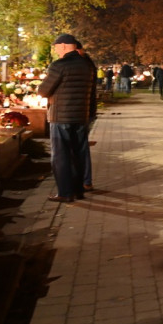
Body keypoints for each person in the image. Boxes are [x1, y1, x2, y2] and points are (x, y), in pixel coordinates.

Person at [38, 34, 95, 203]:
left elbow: (43, 91)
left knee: (61, 156)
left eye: (56, 47)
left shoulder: (59, 65)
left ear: (63, 45)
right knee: (78, 155)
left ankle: (65, 192)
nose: (55, 50)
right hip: (80, 116)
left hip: (61, 117)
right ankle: (78, 191)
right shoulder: (87, 65)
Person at [76, 41, 98, 192]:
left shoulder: (83, 65)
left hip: (81, 111)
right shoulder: (88, 63)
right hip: (85, 110)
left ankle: (85, 180)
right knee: (81, 146)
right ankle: (85, 180)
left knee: (81, 146)